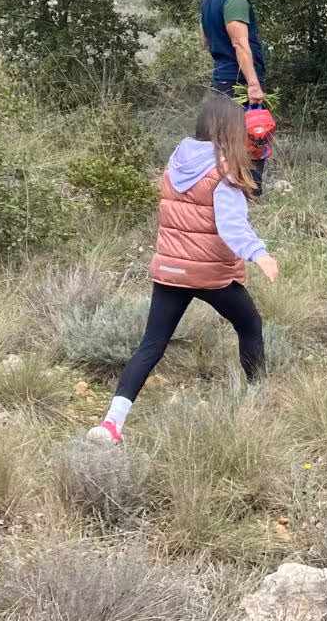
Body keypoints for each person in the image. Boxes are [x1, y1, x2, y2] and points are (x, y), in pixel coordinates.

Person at [88, 96, 280, 444]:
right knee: (250, 324)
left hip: (170, 269)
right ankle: (258, 397)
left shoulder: (176, 161)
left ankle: (111, 424)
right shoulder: (223, 174)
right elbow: (232, 226)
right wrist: (260, 254)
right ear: (227, 131)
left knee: (152, 345)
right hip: (209, 275)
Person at [201, 0, 269, 189]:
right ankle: (250, 191)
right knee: (255, 135)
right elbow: (240, 44)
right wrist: (253, 84)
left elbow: (205, 40)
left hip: (220, 77)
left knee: (223, 138)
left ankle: (222, 187)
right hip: (239, 81)